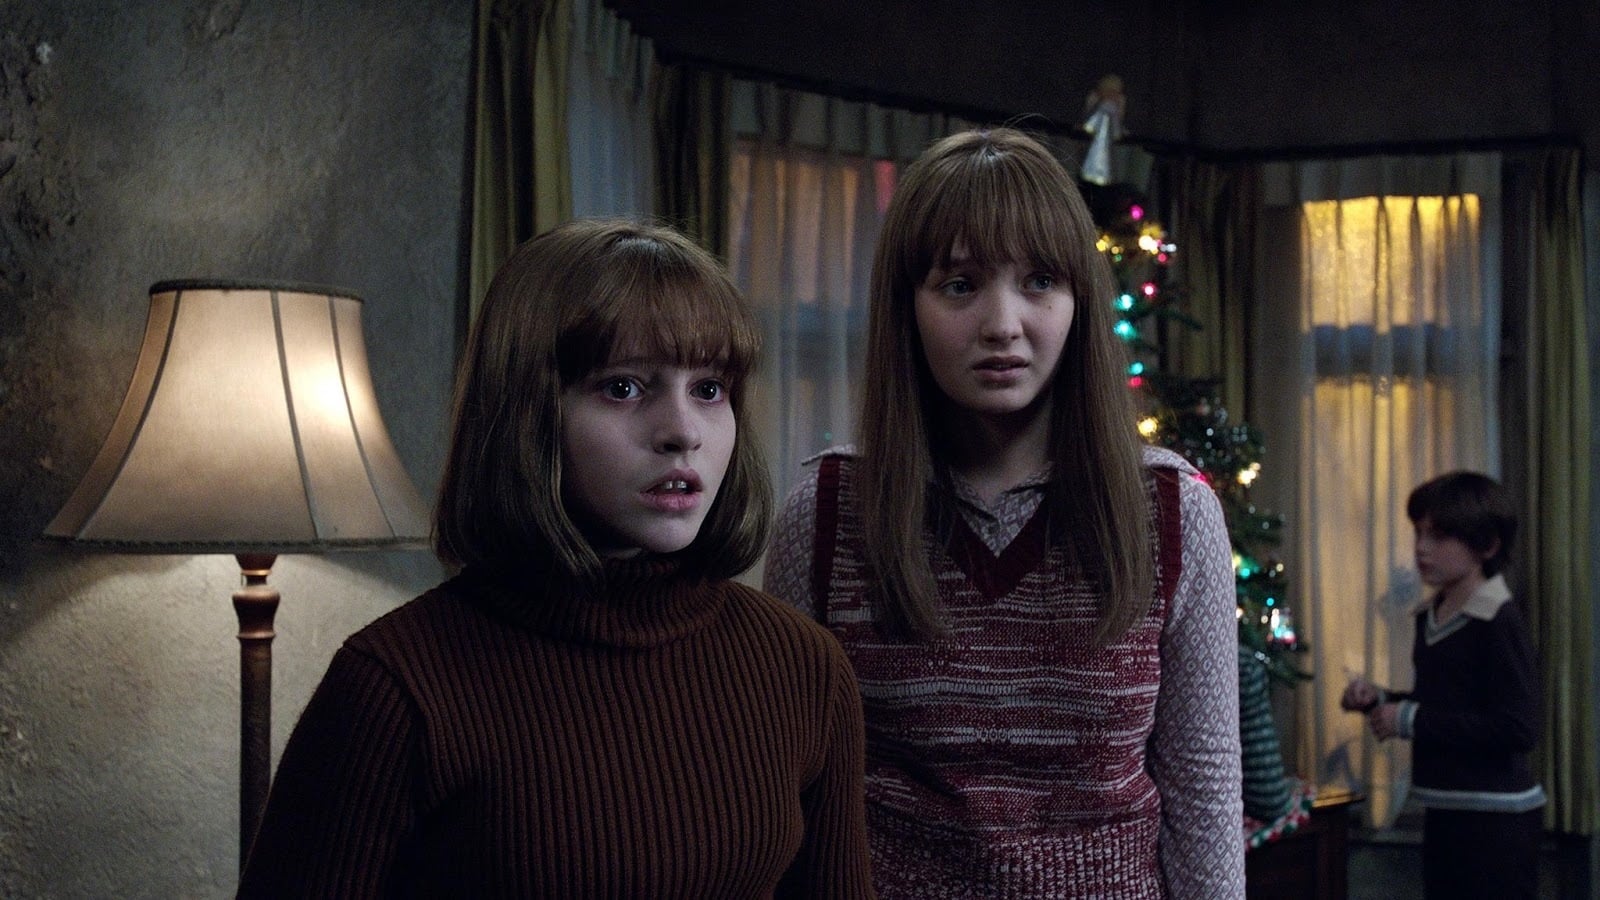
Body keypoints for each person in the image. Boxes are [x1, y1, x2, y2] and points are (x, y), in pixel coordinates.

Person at [238, 219, 874, 897]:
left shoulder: (805, 667)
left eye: (709, 389)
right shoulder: (394, 687)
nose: (683, 432)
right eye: (624, 388)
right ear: (529, 412)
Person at [763, 127, 1245, 898]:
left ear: (1079, 300)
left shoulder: (1172, 511)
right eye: (960, 285)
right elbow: (785, 795)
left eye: (1039, 281)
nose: (1002, 323)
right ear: (907, 306)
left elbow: (1205, 791)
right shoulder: (826, 514)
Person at [1341, 471, 1543, 899]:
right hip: (1447, 807)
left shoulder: (1497, 620)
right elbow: (1446, 704)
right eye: (1419, 532)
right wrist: (1382, 700)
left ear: (1487, 545)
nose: (1421, 547)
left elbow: (1517, 727)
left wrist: (1410, 719)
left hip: (1495, 820)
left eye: (1439, 536)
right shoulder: (1432, 615)